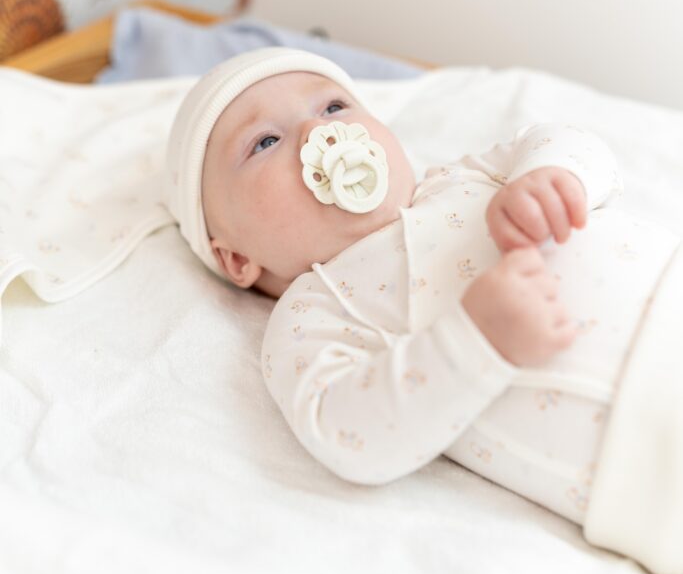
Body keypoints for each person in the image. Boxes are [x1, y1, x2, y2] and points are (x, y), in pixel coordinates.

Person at [163, 46, 679, 532]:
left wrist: (550, 176)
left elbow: (568, 140)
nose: (316, 133)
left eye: (335, 106)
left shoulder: (461, 178)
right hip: (646, 447)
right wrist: (476, 341)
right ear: (235, 257)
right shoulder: (313, 311)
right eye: (265, 142)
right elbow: (346, 433)